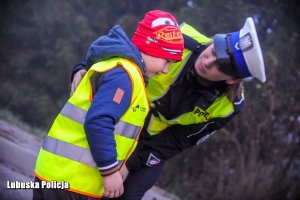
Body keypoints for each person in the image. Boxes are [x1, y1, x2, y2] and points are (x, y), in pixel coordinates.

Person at [71, 17, 266, 199]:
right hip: (118, 124)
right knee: (79, 181)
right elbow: (122, 49)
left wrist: (129, 165)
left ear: (232, 80)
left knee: (128, 194)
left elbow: (178, 141)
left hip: (153, 144)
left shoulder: (229, 106)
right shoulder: (180, 38)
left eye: (219, 67)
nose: (207, 62)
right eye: (213, 51)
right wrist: (82, 67)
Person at [33, 10, 184, 200]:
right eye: (167, 61)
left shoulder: (119, 68)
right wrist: (110, 171)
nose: (165, 70)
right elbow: (98, 121)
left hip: (60, 174)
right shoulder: (125, 76)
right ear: (151, 47)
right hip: (72, 182)